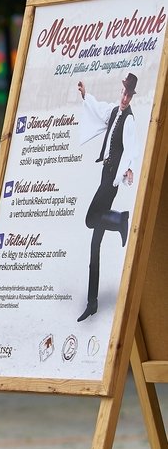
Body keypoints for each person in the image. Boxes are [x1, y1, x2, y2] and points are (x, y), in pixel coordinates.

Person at [76, 73, 138, 322]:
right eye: (123, 93)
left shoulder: (129, 119)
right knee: (95, 244)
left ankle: (120, 220)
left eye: (128, 95)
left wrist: (127, 170)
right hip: (105, 173)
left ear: (131, 97)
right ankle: (92, 302)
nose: (124, 98)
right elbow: (99, 109)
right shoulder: (113, 111)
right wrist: (86, 95)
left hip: (111, 179)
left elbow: (130, 148)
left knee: (90, 219)